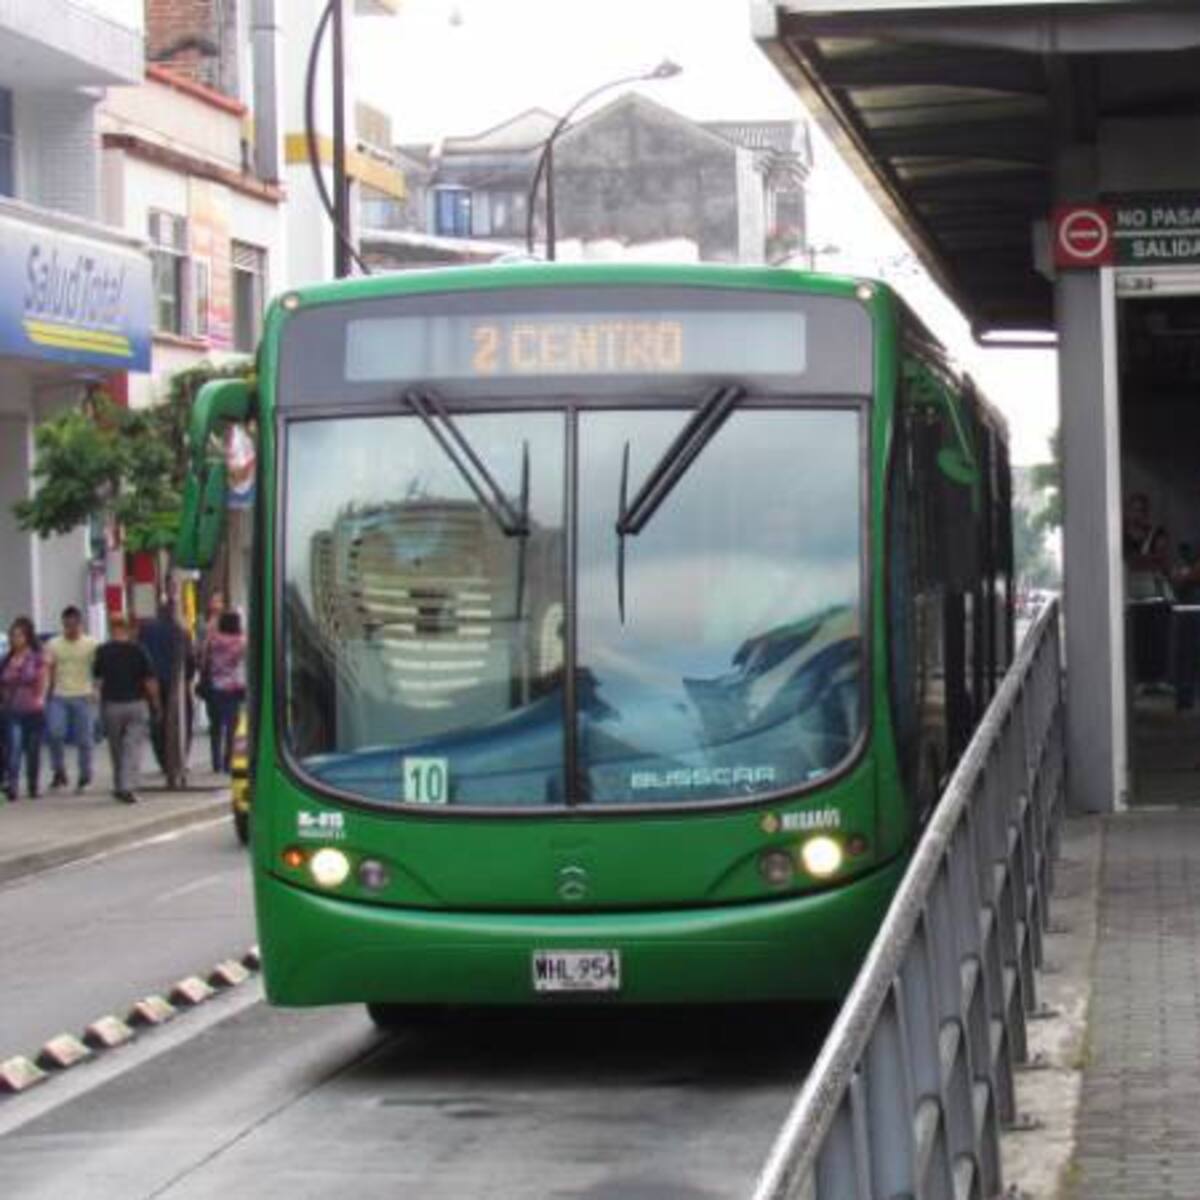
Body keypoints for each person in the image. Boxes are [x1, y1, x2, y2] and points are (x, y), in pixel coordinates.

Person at [93, 614, 160, 804]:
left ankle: (119, 784)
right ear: (128, 629)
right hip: (136, 703)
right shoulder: (138, 650)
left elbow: (98, 679)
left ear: (111, 629)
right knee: (132, 746)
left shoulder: (102, 651)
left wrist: (97, 702)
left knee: (116, 748)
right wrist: (155, 702)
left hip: (111, 705)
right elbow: (149, 680)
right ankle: (127, 785)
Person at [138, 601, 195, 784]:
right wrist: (189, 678)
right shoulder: (181, 632)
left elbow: (140, 652)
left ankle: (163, 759)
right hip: (176, 682)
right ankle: (178, 759)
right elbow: (190, 658)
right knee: (182, 721)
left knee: (157, 721)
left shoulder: (146, 630)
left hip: (153, 680)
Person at [46, 605, 98, 792]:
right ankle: (59, 771)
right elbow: (48, 669)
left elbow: (98, 670)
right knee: (54, 733)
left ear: (80, 624)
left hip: (83, 694)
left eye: (74, 625)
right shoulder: (54, 644)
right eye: (67, 625)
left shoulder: (91, 644)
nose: (70, 629)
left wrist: (97, 689)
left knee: (84, 739)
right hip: (59, 695)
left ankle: (85, 776)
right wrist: (46, 692)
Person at [0, 616, 48, 800]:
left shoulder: (35, 658)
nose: (15, 639)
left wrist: (41, 698)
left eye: (19, 636)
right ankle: (12, 786)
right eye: (13, 636)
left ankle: (33, 786)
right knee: (14, 747)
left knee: (33, 750)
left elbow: (43, 679)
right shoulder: (6, 660)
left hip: (32, 709)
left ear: (27, 637)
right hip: (11, 710)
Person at [203, 609, 247, 774]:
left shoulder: (212, 641)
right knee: (232, 727)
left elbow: (203, 659)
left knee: (215, 726)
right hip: (233, 689)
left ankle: (215, 762)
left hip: (214, 687)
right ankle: (228, 761)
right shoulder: (241, 642)